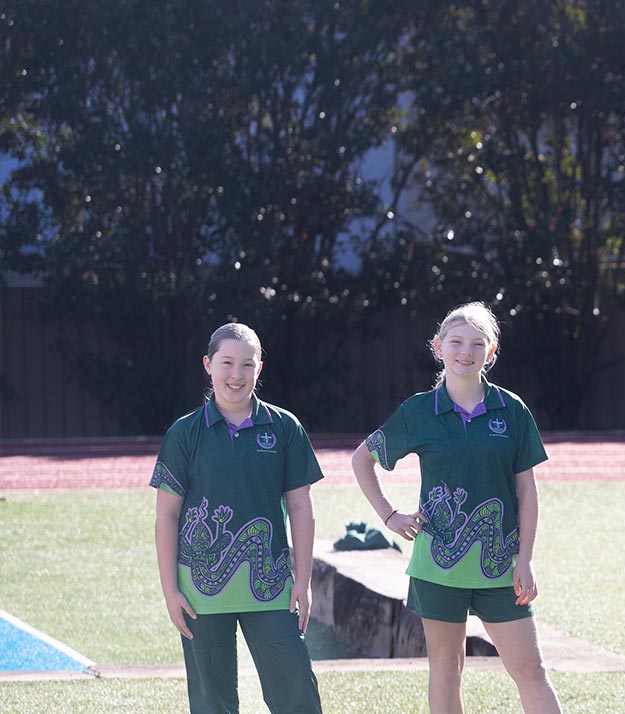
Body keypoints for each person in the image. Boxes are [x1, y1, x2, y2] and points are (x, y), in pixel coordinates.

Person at [350, 302, 561, 714]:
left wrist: (526, 560)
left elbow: (527, 492)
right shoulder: (417, 411)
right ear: (438, 346)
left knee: (531, 669)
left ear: (492, 351)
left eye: (477, 344)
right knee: (447, 669)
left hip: (502, 568)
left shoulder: (512, 410)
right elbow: (362, 460)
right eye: (457, 342)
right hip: (437, 569)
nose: (466, 351)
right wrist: (390, 516)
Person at [152, 322, 323, 713]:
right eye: (227, 363)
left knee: (296, 687)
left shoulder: (285, 427)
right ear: (208, 365)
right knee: (213, 701)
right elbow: (166, 517)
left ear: (259, 368)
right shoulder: (183, 433)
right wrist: (170, 590)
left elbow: (300, 507)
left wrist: (303, 580)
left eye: (247, 364)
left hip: (272, 586)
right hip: (200, 592)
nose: (236, 374)